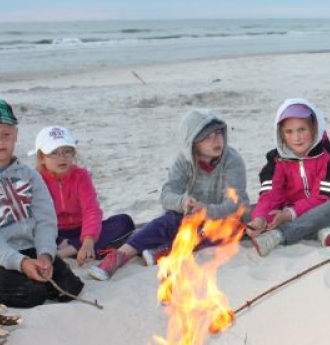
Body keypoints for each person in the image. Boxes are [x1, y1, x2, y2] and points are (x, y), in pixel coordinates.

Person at [88, 108, 249, 280]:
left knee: (225, 232)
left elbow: (234, 204)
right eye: (207, 137)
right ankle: (120, 255)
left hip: (225, 217)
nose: (216, 140)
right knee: (166, 220)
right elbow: (167, 193)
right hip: (193, 214)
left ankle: (165, 250)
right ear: (193, 143)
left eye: (218, 133)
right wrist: (182, 202)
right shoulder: (185, 160)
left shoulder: (232, 160)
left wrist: (206, 210)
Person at [0, 97, 84, 308]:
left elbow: (45, 219)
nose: (0, 141)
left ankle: (35, 272)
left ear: (15, 134)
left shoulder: (30, 175)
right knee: (32, 295)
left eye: (6, 134)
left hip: (31, 247)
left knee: (71, 289)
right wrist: (20, 263)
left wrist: (45, 254)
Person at [245, 98, 330, 256]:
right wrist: (261, 219)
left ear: (314, 128)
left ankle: (280, 235)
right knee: (247, 212)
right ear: (281, 135)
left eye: (302, 129)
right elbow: (270, 195)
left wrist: (290, 214)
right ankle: (317, 232)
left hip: (326, 210)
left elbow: (322, 197)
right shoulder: (275, 159)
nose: (296, 137)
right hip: (288, 211)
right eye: (289, 132)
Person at [31, 126, 135, 266]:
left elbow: (91, 210)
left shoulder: (81, 175)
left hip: (82, 230)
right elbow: (37, 217)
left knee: (124, 222)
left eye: (67, 151)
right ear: (42, 158)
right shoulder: (36, 179)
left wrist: (88, 241)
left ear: (73, 154)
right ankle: (77, 250)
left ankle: (68, 251)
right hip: (53, 233)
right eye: (54, 153)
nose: (62, 158)